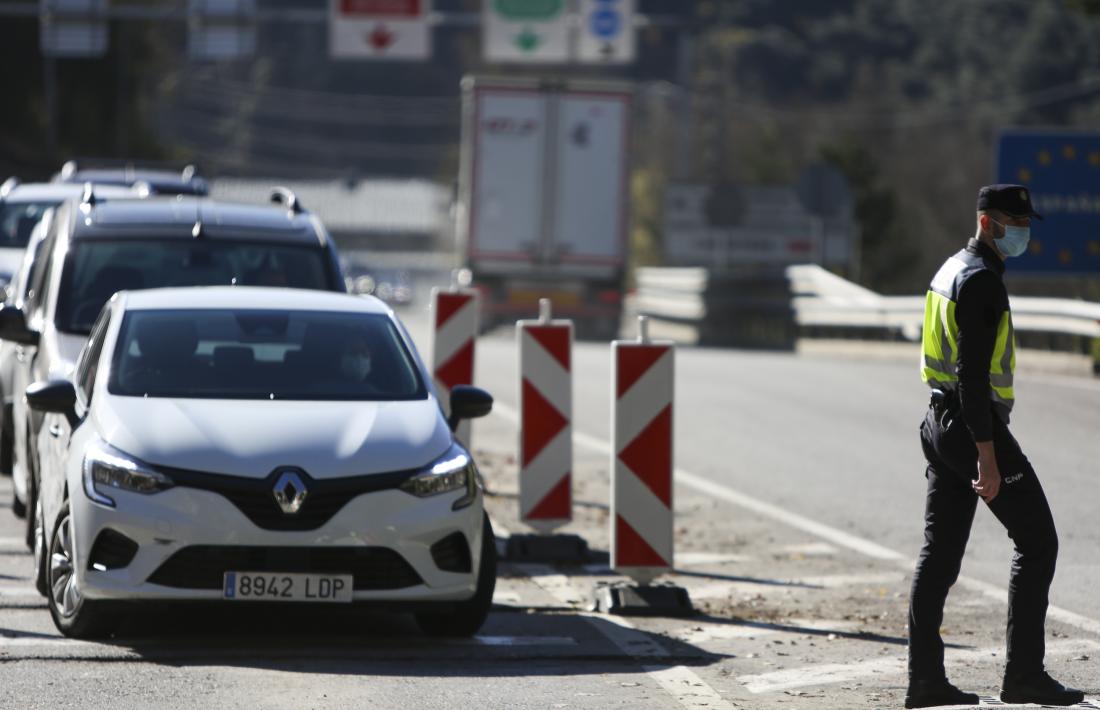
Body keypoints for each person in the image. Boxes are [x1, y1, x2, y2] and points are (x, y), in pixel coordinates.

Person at [905, 185, 1084, 708]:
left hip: (938, 421)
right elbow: (974, 375)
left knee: (938, 555)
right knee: (1038, 542)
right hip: (970, 425)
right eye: (1014, 220)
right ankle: (1024, 675)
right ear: (988, 222)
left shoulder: (951, 268)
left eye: (1027, 220)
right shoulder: (981, 281)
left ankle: (925, 681)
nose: (1022, 229)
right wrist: (987, 452)